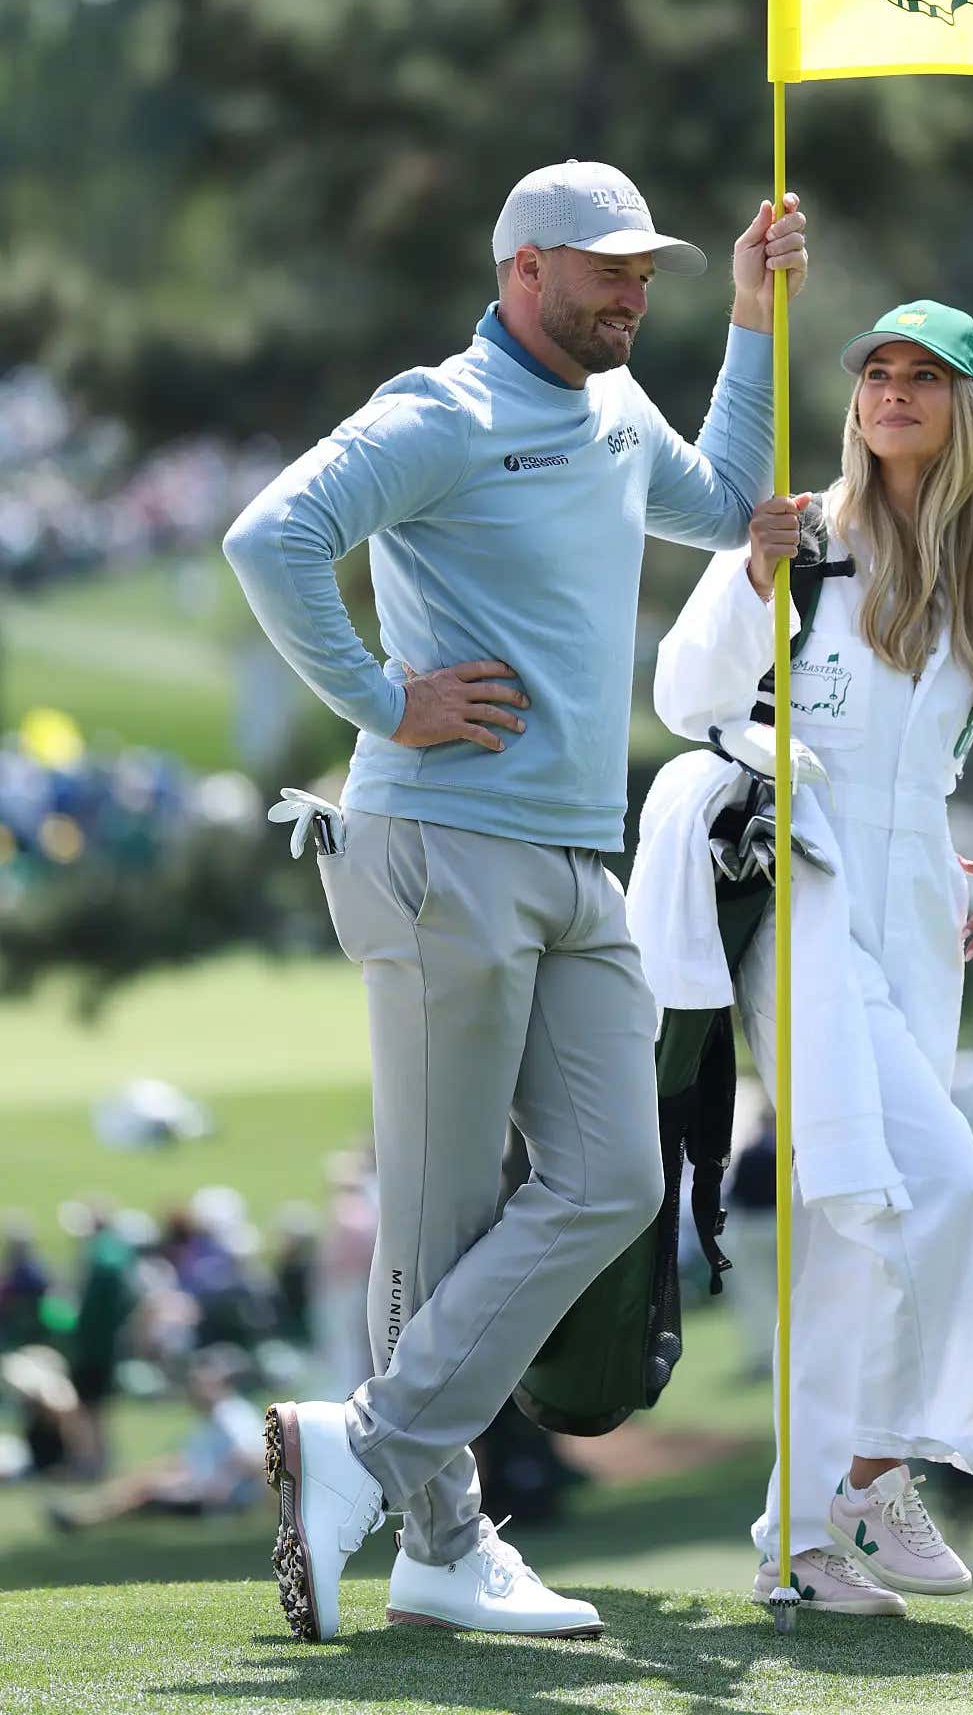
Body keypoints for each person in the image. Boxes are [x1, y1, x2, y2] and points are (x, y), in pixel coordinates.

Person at [223, 159, 807, 1642]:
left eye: (648, 273)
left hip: (572, 857)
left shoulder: (613, 412)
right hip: (436, 847)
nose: (631, 290)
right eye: (608, 267)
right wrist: (379, 697)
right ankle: (441, 1536)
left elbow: (731, 502)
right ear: (523, 271)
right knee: (440, 1215)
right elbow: (272, 538)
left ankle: (368, 1448)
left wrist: (749, 319)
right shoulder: (443, 409)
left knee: (615, 1180)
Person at [650, 298, 973, 1614]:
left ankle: (802, 1538)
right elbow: (684, 700)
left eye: (921, 377)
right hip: (796, 895)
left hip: (918, 920)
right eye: (875, 373)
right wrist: (752, 582)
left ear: (963, 408)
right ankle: (875, 1478)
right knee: (940, 1183)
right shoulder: (798, 539)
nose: (891, 394)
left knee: (856, 1226)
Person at [48, 1348, 263, 1531]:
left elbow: (251, 1457)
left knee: (146, 1489)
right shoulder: (214, 1417)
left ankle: (83, 1518)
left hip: (216, 1497)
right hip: (201, 1486)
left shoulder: (232, 1414)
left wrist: (218, 1488)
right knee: (146, 1476)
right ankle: (85, 1509)